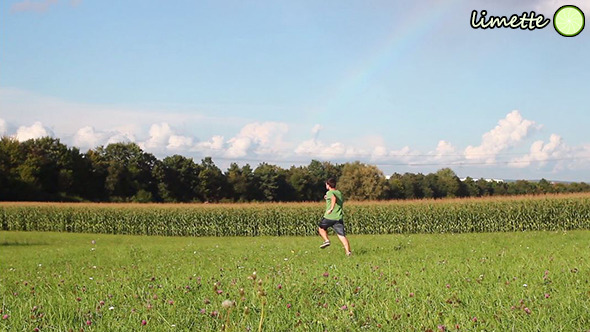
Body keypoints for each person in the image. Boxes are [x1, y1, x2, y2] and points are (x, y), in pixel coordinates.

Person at [318, 178, 351, 256]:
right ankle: (348, 252)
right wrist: (327, 198)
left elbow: (333, 198)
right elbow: (336, 198)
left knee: (321, 228)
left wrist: (331, 209)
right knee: (341, 235)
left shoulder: (330, 192)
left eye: (326, 184)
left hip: (329, 217)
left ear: (328, 185)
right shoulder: (338, 192)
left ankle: (326, 240)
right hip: (338, 218)